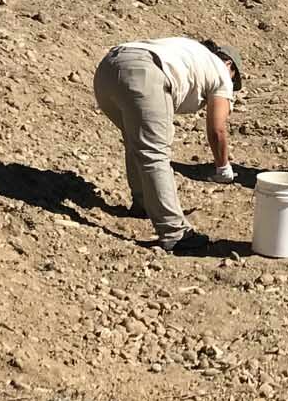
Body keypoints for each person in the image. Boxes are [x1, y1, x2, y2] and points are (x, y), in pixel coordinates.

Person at [92, 37, 244, 254]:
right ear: (229, 65)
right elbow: (217, 129)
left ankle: (144, 203)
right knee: (154, 153)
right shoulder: (221, 72)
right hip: (144, 70)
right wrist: (223, 168)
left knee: (137, 141)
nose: (232, 87)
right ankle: (175, 233)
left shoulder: (191, 53)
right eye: (234, 80)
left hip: (107, 69)